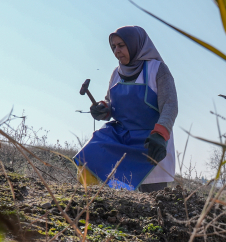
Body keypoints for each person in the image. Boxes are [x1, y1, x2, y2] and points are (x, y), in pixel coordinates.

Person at [74, 26, 177, 192]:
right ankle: (86, 203)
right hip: (122, 138)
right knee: (89, 157)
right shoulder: (116, 73)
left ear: (135, 44)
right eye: (114, 47)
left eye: (121, 45)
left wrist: (160, 135)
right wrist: (104, 109)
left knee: (152, 198)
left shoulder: (157, 70)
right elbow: (111, 103)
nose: (117, 51)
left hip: (150, 141)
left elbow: (170, 106)